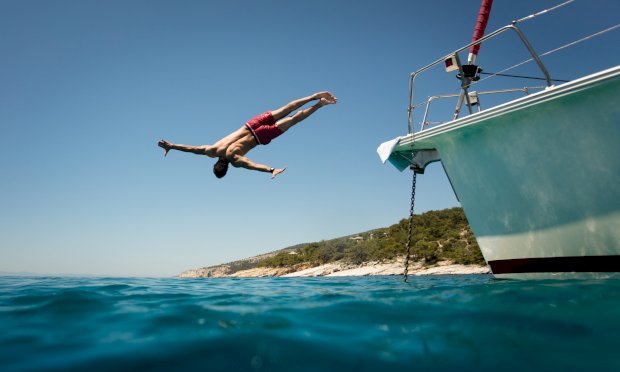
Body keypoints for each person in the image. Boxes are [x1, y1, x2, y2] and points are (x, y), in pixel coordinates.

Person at [157, 91, 337, 179]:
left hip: (251, 125)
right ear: (225, 169)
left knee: (286, 109)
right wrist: (270, 169)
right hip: (260, 137)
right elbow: (251, 165)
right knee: (293, 119)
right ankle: (320, 104)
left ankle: (315, 96)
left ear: (214, 165)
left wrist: (172, 146)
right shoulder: (235, 161)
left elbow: (192, 149)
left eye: (216, 168)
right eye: (221, 169)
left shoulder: (212, 151)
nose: (219, 166)